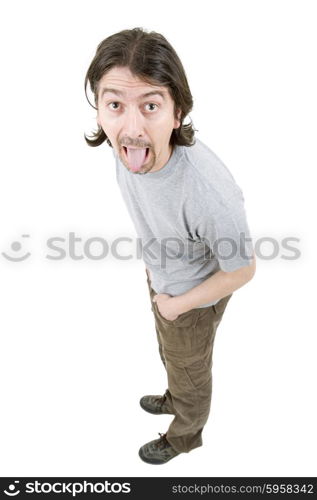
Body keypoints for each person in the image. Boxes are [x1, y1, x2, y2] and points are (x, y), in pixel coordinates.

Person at [84, 27, 256, 465]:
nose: (132, 126)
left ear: (177, 112)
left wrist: (178, 305)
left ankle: (184, 433)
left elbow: (242, 270)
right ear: (101, 108)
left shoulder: (207, 192)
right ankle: (173, 391)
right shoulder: (126, 141)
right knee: (171, 353)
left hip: (193, 296)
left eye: (151, 106)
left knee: (192, 370)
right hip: (164, 277)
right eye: (115, 105)